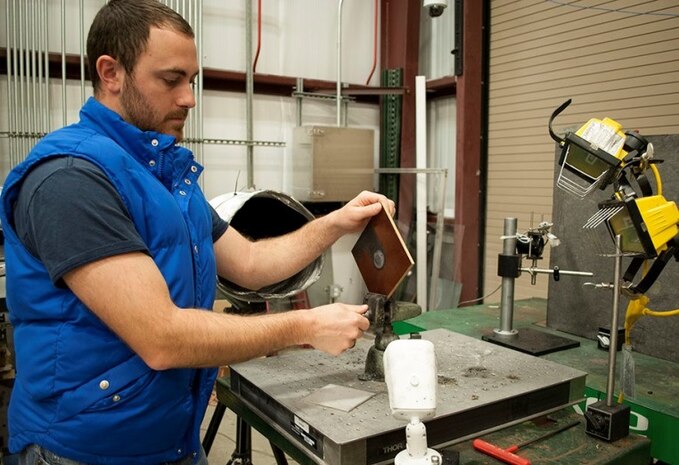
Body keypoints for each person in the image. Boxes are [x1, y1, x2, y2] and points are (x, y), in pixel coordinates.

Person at [0, 1, 394, 464]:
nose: (188, 98)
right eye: (171, 80)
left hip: (171, 436)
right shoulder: (71, 179)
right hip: (86, 448)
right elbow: (162, 338)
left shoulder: (163, 176)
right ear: (111, 73)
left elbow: (249, 264)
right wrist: (304, 326)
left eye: (192, 82)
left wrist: (333, 223)